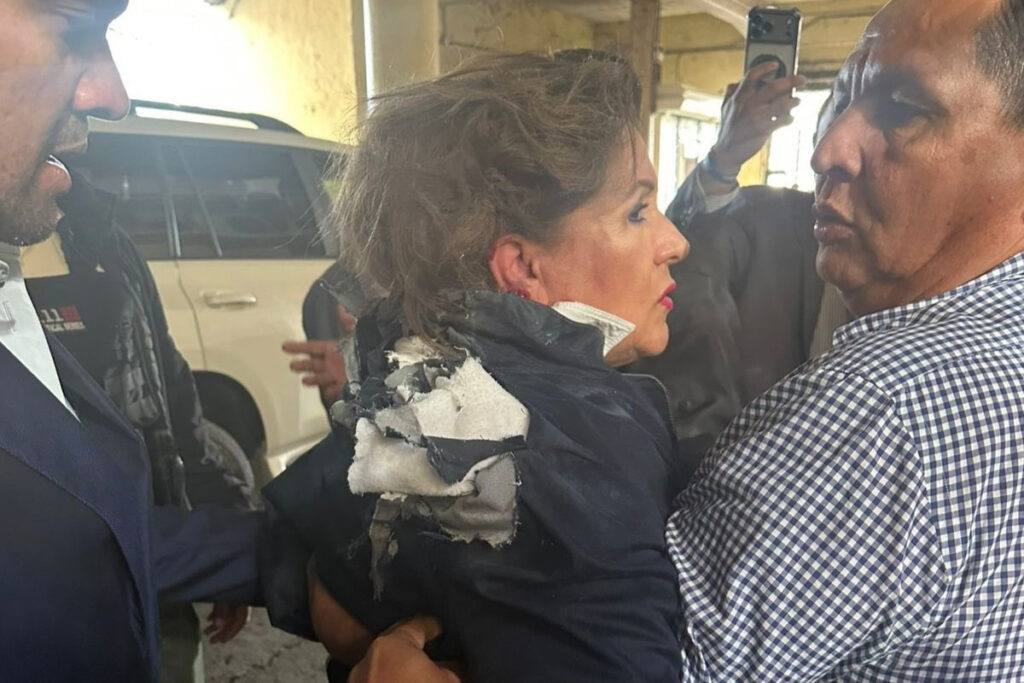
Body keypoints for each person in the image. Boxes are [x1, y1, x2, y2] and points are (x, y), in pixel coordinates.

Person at [348, 0, 1024, 679]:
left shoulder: (883, 409)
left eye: (904, 108)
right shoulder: (510, 444)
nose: (826, 150)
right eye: (842, 99)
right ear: (522, 267)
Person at [260, 50, 691, 683]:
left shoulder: (411, 394)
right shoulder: (584, 471)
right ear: (522, 268)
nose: (675, 241)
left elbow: (321, 564)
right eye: (637, 211)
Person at [0, 1, 263, 680]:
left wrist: (244, 541)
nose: (113, 97)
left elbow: (169, 397)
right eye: (74, 27)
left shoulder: (98, 239)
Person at [22, 170, 256, 683]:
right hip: (37, 598)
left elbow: (171, 395)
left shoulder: (102, 235)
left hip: (154, 572)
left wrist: (224, 533)